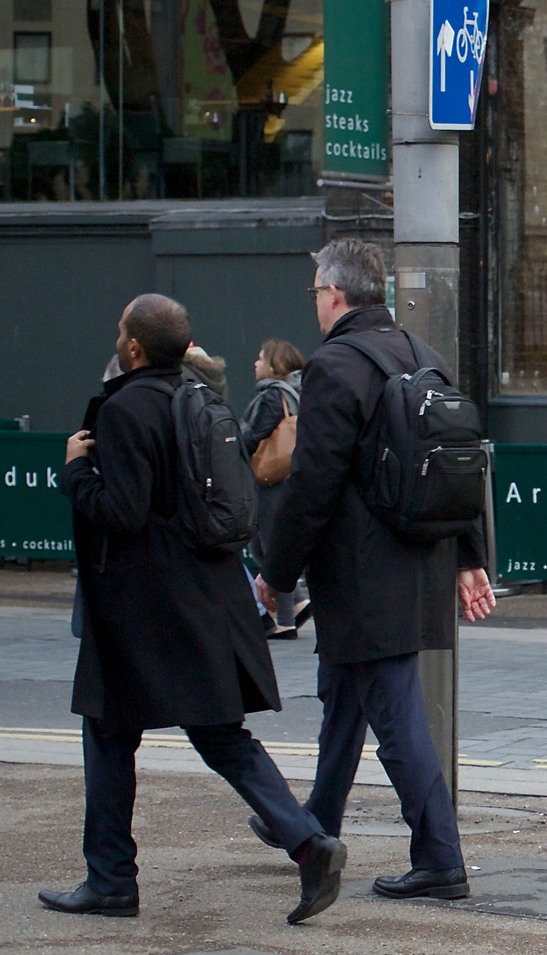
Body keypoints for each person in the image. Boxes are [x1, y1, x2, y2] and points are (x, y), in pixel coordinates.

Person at [43, 293, 346, 924]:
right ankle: (309, 842)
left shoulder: (126, 409)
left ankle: (110, 880)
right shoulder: (203, 401)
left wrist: (75, 473)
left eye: (121, 330)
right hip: (207, 594)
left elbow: (122, 513)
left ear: (132, 347)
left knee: (106, 731)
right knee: (220, 736)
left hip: (140, 607)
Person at [253, 239, 496, 902]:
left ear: (334, 294)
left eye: (314, 290)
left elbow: (313, 484)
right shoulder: (423, 355)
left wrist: (275, 571)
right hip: (421, 560)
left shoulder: (335, 366)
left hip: (363, 573)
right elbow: (460, 460)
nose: (315, 301)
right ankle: (310, 827)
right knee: (344, 701)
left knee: (395, 718)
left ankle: (441, 859)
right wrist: (468, 559)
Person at [244, 337, 310, 639]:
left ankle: (283, 621)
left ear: (274, 364)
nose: (256, 364)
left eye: (260, 358)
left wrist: (236, 446)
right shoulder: (294, 391)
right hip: (284, 478)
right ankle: (296, 603)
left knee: (269, 547)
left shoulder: (273, 396)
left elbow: (258, 434)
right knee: (263, 545)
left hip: (272, 479)